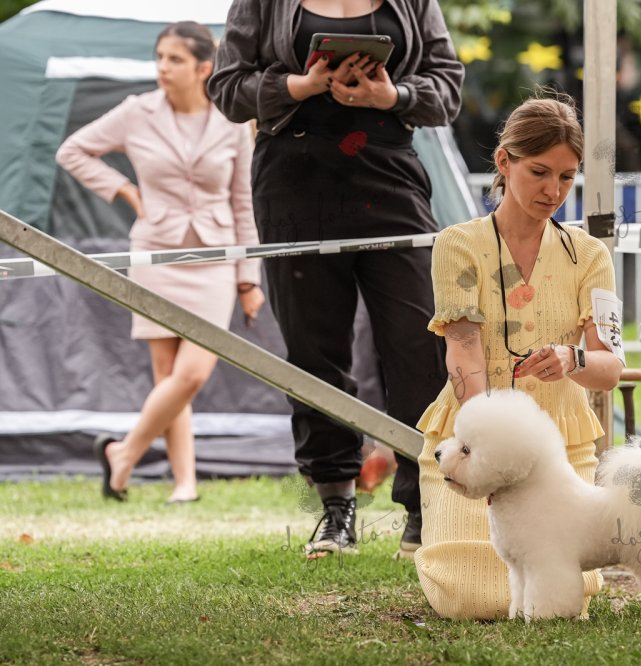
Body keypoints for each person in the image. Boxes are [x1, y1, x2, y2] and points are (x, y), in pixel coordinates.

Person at [208, 0, 462, 557]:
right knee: (314, 351)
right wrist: (301, 86)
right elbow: (226, 88)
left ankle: (424, 504)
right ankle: (335, 507)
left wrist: (391, 97)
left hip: (390, 172)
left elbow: (448, 88)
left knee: (420, 341)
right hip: (292, 180)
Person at [414, 95, 625, 619]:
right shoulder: (457, 244)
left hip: (561, 449)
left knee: (558, 589)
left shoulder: (590, 255)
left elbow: (609, 371)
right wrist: (481, 456)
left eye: (567, 177)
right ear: (504, 162)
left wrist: (573, 358)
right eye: (539, 172)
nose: (553, 191)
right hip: (470, 438)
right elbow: (463, 350)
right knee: (468, 598)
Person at [56, 21, 264, 504]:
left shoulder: (232, 120)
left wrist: (248, 279)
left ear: (204, 68)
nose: (162, 68)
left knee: (192, 374)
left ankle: (123, 452)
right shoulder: (137, 112)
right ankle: (184, 483)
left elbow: (243, 202)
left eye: (175, 59)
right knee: (168, 377)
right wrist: (123, 189)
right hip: (154, 254)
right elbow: (73, 150)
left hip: (216, 256)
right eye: (160, 58)